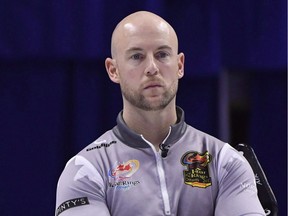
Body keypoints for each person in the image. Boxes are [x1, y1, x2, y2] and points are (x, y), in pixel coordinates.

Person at [55, 11, 265, 216]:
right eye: (137, 56)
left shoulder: (225, 162)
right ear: (113, 70)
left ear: (179, 65)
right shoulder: (85, 170)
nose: (152, 68)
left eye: (162, 54)